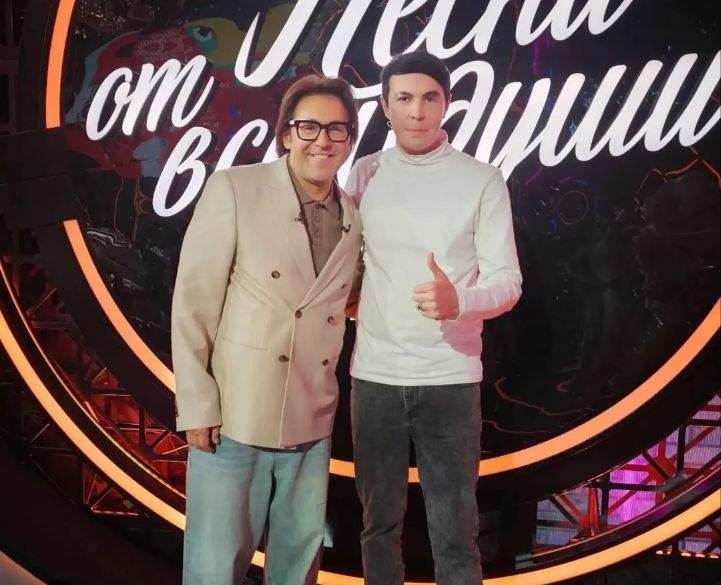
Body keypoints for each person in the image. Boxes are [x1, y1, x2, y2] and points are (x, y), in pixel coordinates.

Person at [172, 74, 361, 585]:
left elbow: (346, 298)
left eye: (337, 129)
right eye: (309, 126)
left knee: (298, 568)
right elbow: (193, 302)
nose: (322, 140)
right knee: (214, 569)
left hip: (312, 416)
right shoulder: (236, 188)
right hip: (234, 417)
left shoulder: (354, 216)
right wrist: (197, 404)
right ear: (285, 133)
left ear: (349, 140)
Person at [345, 51, 522, 585]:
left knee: (455, 534)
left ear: (446, 103)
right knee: (377, 528)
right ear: (385, 106)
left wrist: (458, 301)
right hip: (373, 376)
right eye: (404, 98)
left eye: (429, 98)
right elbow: (347, 260)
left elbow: (508, 283)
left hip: (450, 378)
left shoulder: (481, 179)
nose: (417, 111)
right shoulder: (365, 172)